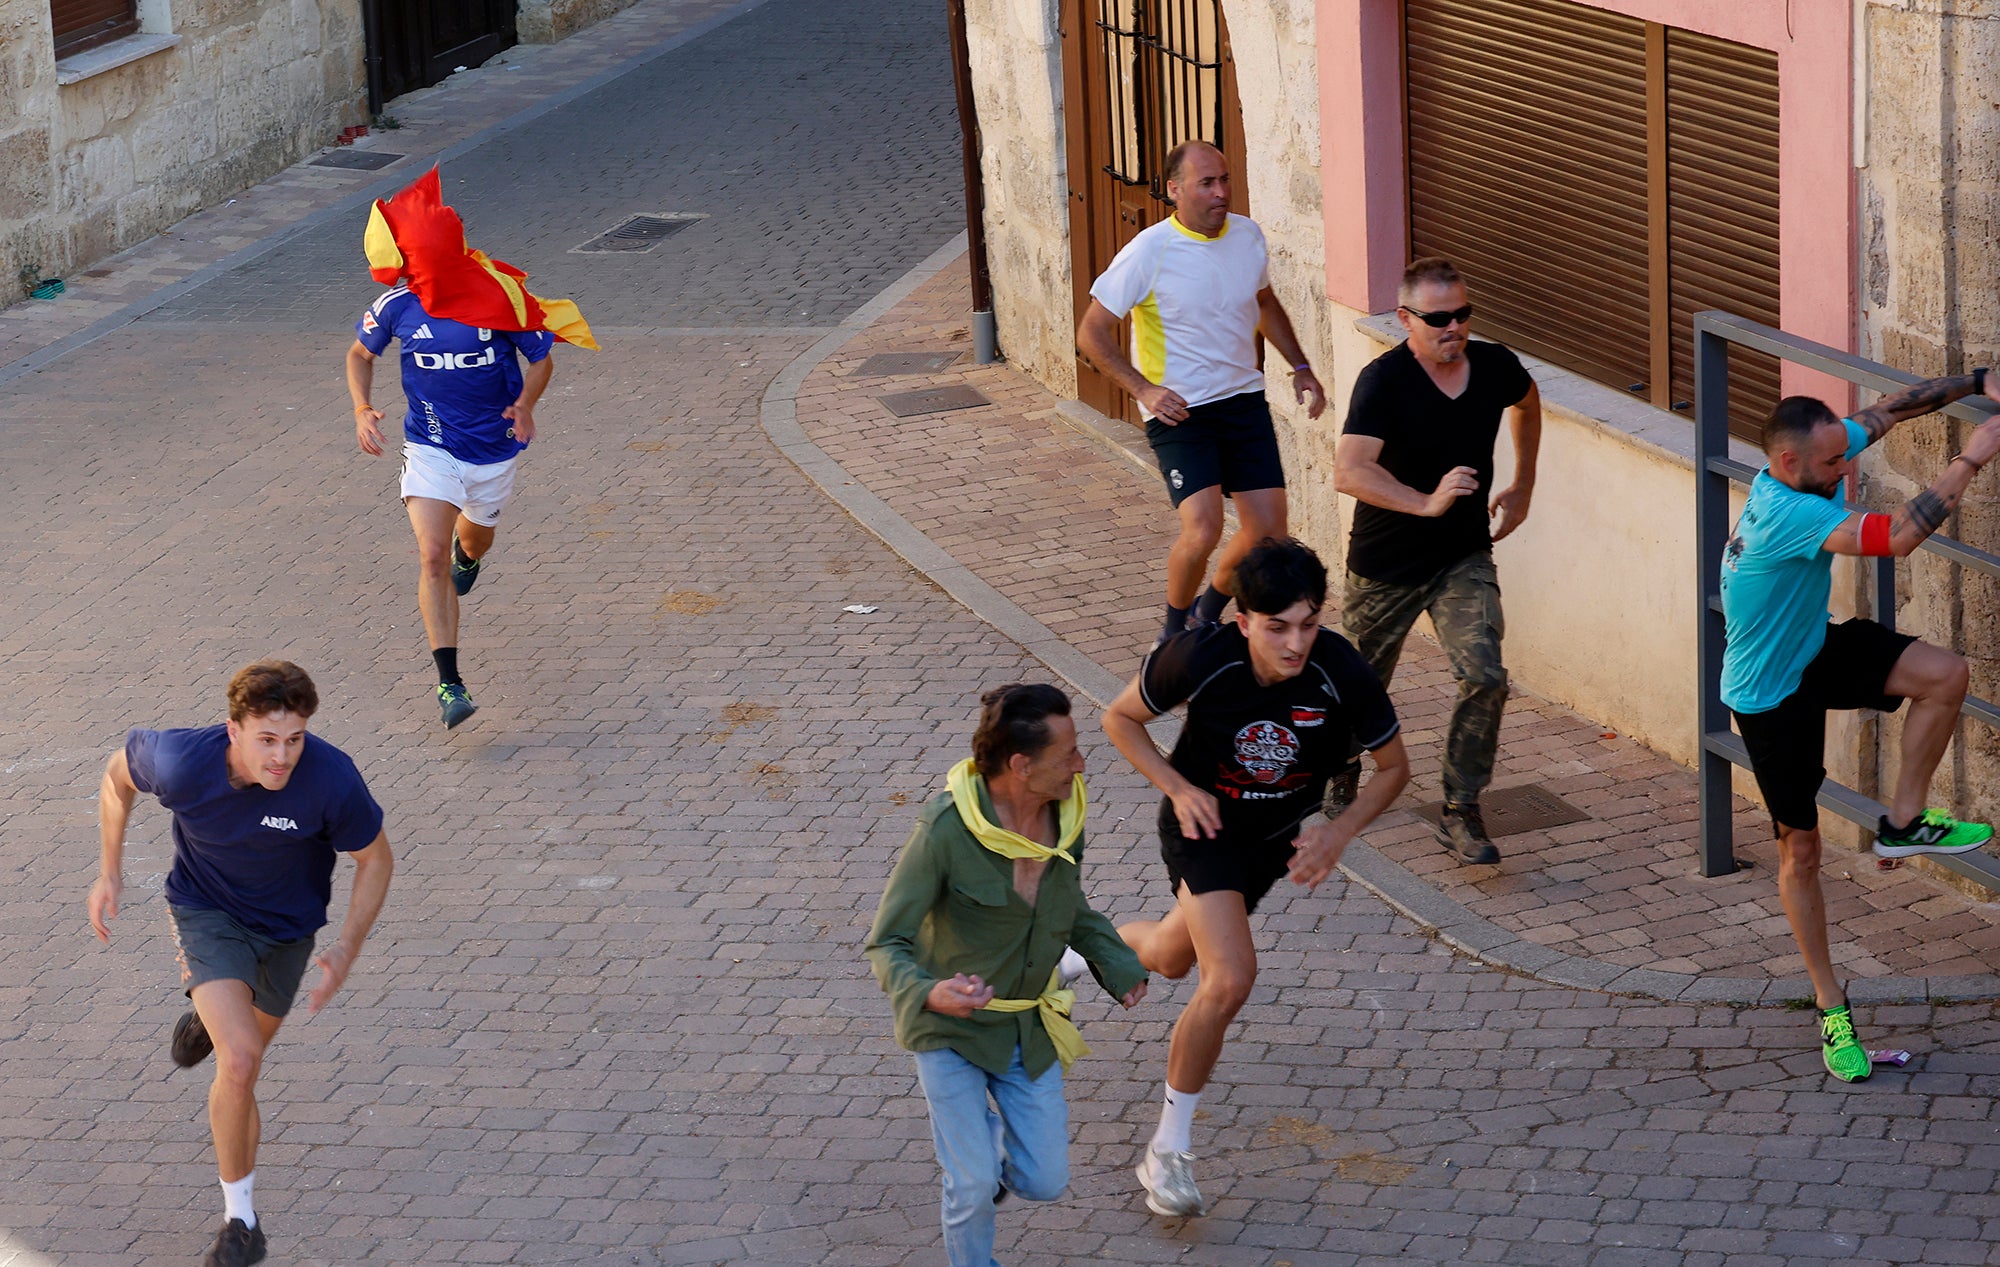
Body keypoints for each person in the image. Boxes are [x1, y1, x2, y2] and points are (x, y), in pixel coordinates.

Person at [1102, 538, 1409, 1217]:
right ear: (1243, 621)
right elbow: (1119, 719)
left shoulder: (1341, 670)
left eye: (1308, 622)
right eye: (1277, 626)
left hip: (1275, 840)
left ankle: (1092, 946)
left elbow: (1395, 768)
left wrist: (1337, 827)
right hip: (1202, 830)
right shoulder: (1200, 656)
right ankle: (1168, 1150)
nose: (1296, 642)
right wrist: (1178, 787)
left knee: (1170, 958)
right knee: (1232, 976)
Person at [1721, 373, 2000, 1081]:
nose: (1845, 468)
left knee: (1946, 674)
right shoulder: (1787, 510)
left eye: (1841, 455)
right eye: (1832, 464)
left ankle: (1902, 820)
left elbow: (1888, 410)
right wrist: (1973, 456)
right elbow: (1899, 537)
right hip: (1766, 697)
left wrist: (1976, 380)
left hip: (1811, 647)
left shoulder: (1814, 453)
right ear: (1788, 465)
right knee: (1802, 852)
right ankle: (1831, 1005)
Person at [86, 661, 393, 1267]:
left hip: (287, 933)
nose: (282, 757)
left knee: (241, 1060)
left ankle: (209, 1014)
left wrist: (347, 947)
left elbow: (375, 859)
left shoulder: (331, 780)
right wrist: (109, 869)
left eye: (296, 738)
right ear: (234, 730)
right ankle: (241, 1221)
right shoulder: (179, 762)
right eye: (268, 740)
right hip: (206, 911)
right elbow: (116, 779)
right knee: (243, 1060)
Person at [866, 684, 1148, 1266]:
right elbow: (886, 941)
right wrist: (928, 992)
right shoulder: (945, 831)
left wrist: (1116, 964)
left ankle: (990, 1150)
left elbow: (1070, 905)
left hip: (1026, 1031)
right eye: (1067, 753)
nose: (1080, 763)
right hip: (950, 1032)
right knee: (969, 1187)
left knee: (1045, 1181)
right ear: (1021, 765)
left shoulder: (1066, 817)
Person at [1332, 257, 1541, 864]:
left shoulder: (1496, 366)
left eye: (1463, 314)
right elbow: (1350, 470)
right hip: (1386, 562)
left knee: (1484, 674)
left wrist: (1524, 482)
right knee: (1361, 685)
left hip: (1462, 556)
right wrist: (1424, 502)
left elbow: (1528, 404)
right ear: (1405, 320)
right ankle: (1342, 761)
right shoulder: (1384, 382)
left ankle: (1461, 808)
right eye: (1439, 318)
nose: (1455, 327)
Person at [1076, 139, 1326, 646]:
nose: (1221, 192)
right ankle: (1172, 636)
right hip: (1181, 411)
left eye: (1225, 180)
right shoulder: (1149, 250)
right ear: (1175, 190)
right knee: (1204, 528)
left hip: (1242, 401)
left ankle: (1206, 613)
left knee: (1269, 531)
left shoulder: (1248, 237)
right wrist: (1143, 389)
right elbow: (1091, 332)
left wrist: (1300, 366)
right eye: (1207, 183)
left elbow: (1264, 302)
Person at [347, 291, 554, 728]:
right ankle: (450, 685)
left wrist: (525, 405)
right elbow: (360, 354)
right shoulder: (396, 305)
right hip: (430, 447)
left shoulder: (497, 295)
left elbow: (542, 358)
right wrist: (362, 408)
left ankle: (469, 556)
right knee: (431, 555)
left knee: (474, 542)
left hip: (494, 452)